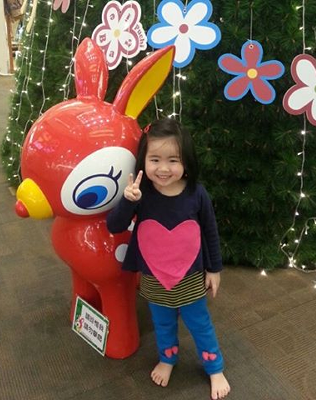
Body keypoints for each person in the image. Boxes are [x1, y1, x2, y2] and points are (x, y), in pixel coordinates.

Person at [107, 118, 230, 399]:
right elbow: (114, 226)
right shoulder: (141, 194)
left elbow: (210, 232)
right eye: (155, 160)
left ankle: (215, 368)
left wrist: (214, 269)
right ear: (143, 160)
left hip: (191, 279)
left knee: (200, 324)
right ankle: (167, 358)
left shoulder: (197, 193)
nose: (163, 169)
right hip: (154, 278)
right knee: (162, 323)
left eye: (173, 160)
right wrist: (128, 200)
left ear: (186, 161)